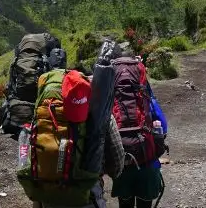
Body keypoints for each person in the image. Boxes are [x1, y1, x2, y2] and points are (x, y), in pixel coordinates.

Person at [18, 40, 126, 208]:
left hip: (46, 199)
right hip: (86, 197)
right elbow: (117, 166)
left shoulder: (41, 112)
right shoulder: (96, 111)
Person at [110, 47, 168, 208]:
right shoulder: (145, 95)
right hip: (147, 161)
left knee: (125, 203)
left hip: (121, 160)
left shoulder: (112, 96)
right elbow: (163, 125)